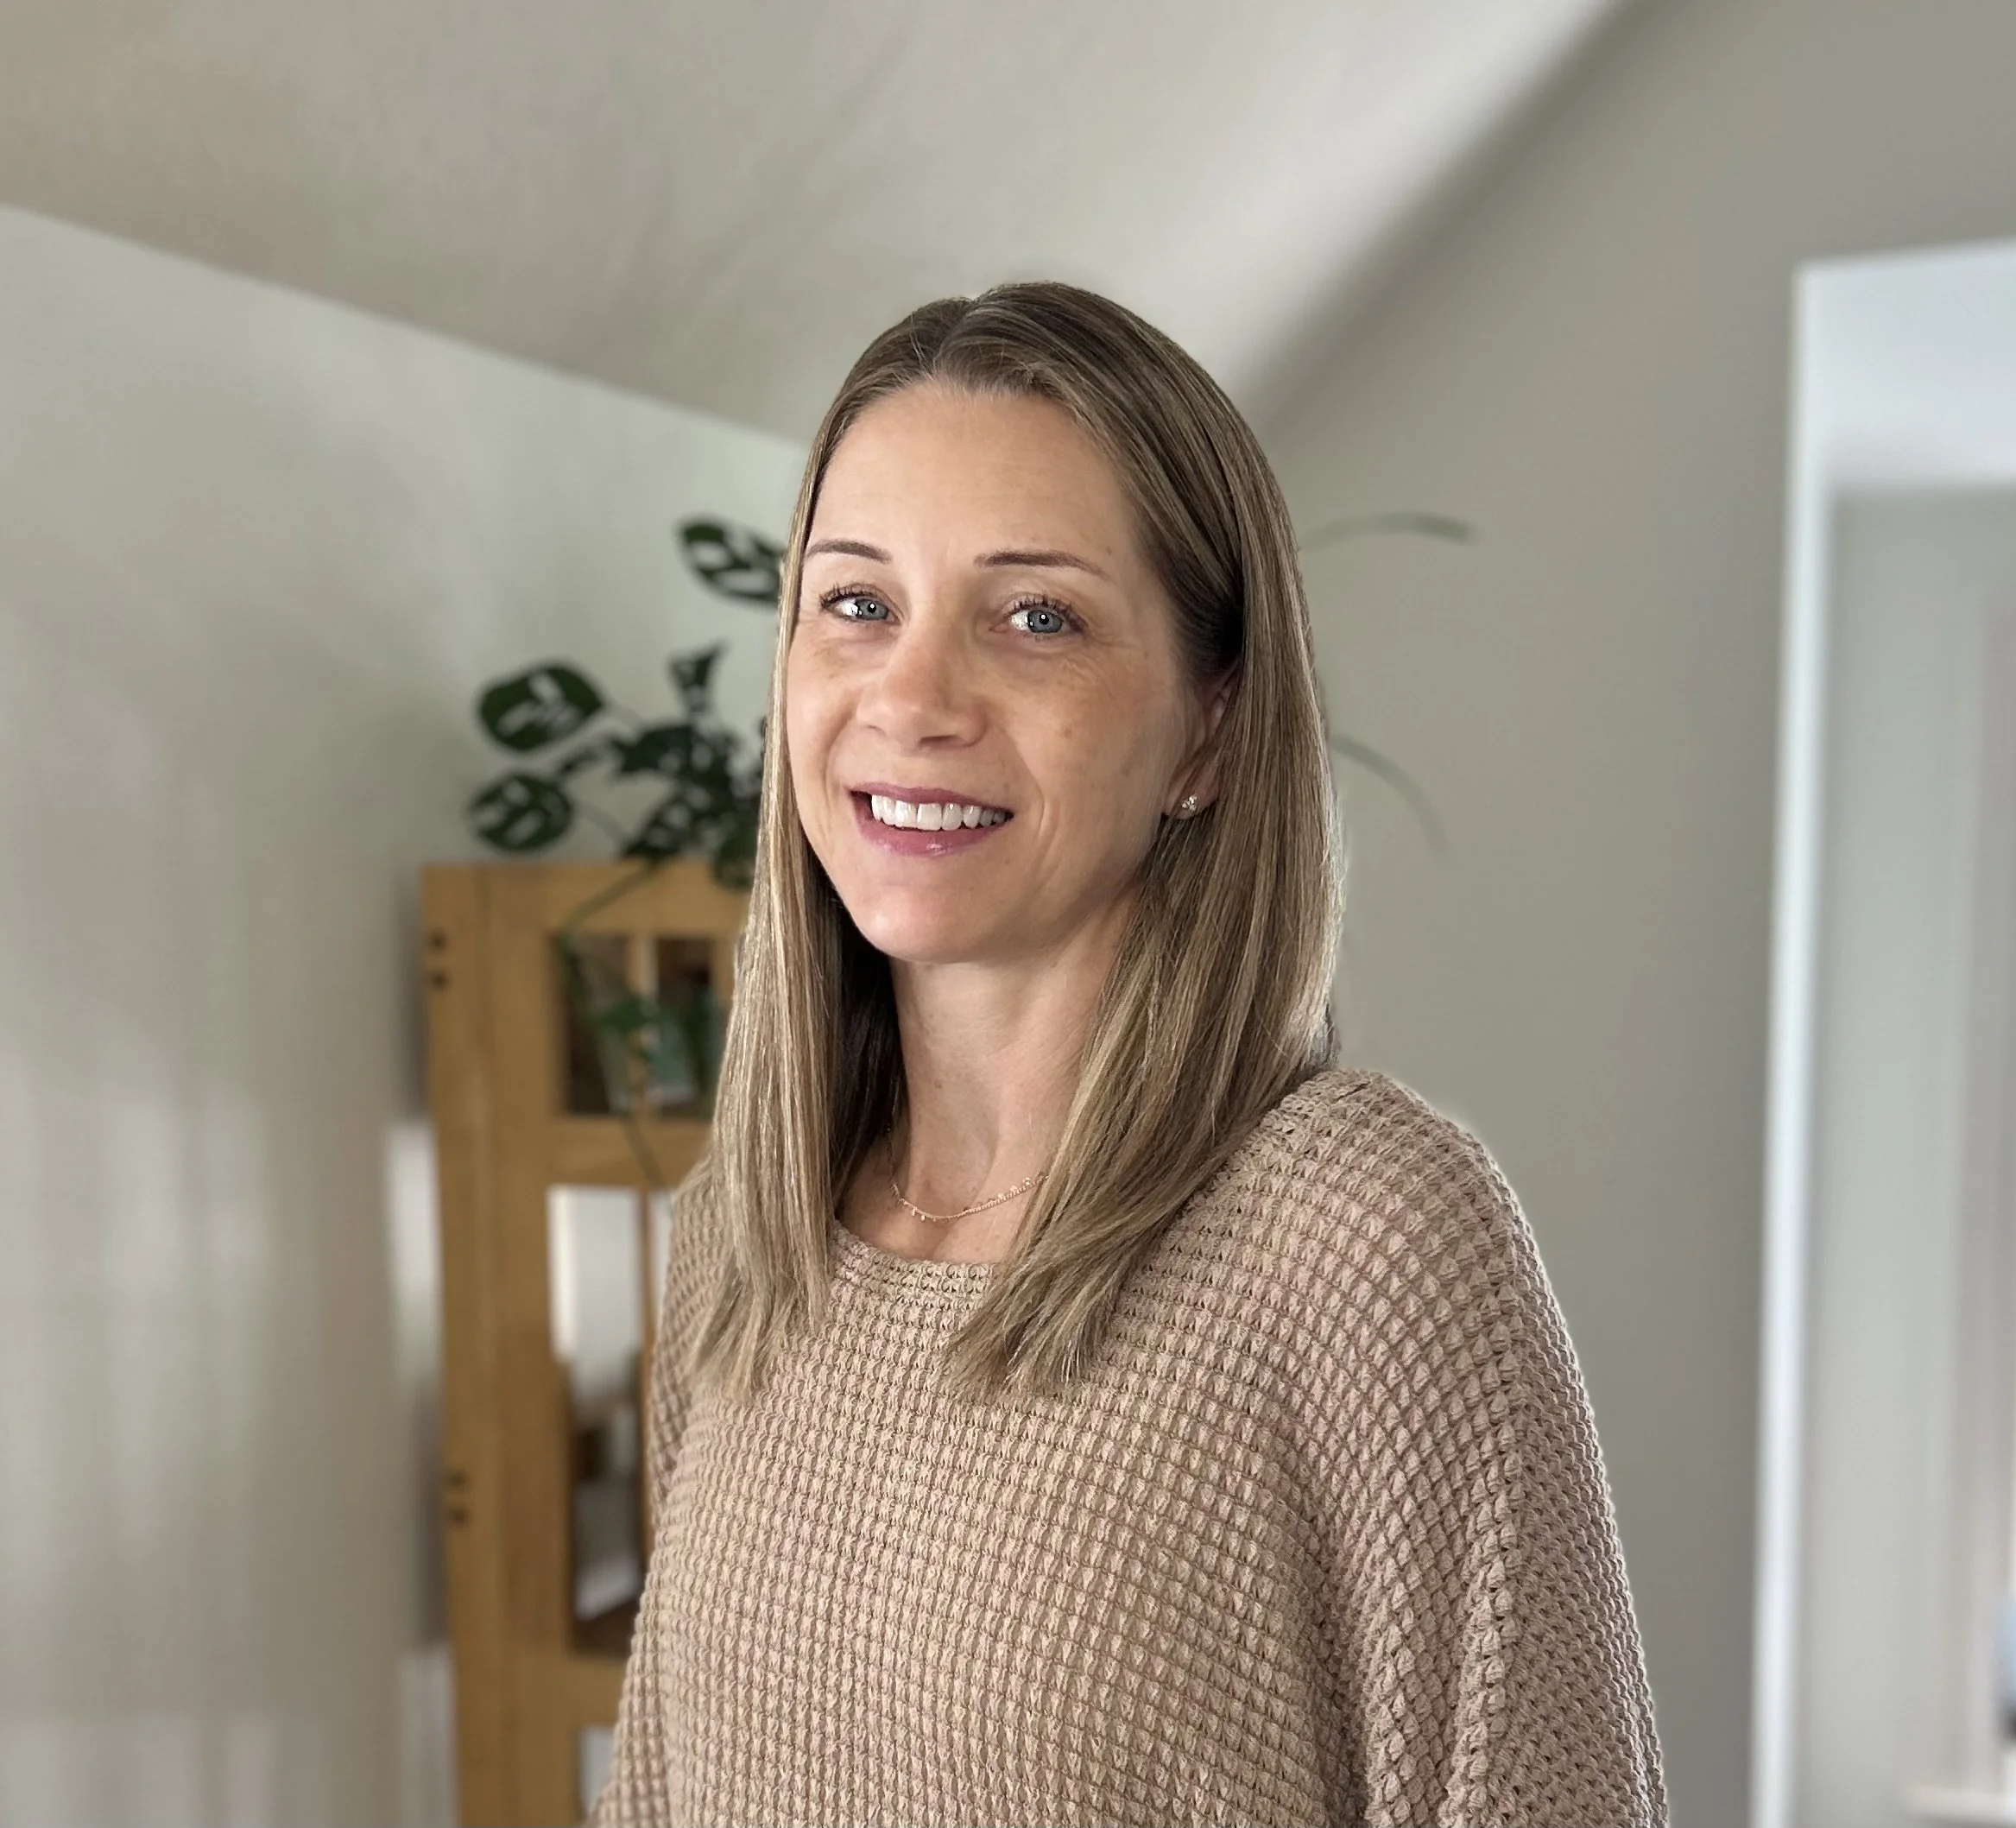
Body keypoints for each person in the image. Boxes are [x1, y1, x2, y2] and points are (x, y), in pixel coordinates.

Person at [591, 281, 1667, 1828]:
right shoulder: (744, 1241)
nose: (911, 698)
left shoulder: (1364, 1241)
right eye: (856, 603)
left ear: (1210, 729)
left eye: (1037, 618)